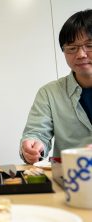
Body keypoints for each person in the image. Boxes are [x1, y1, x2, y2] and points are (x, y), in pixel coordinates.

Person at [20, 9, 92, 164]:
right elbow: (37, 133)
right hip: (71, 179)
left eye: (89, 45)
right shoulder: (49, 93)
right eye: (72, 48)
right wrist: (32, 146)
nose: (81, 54)